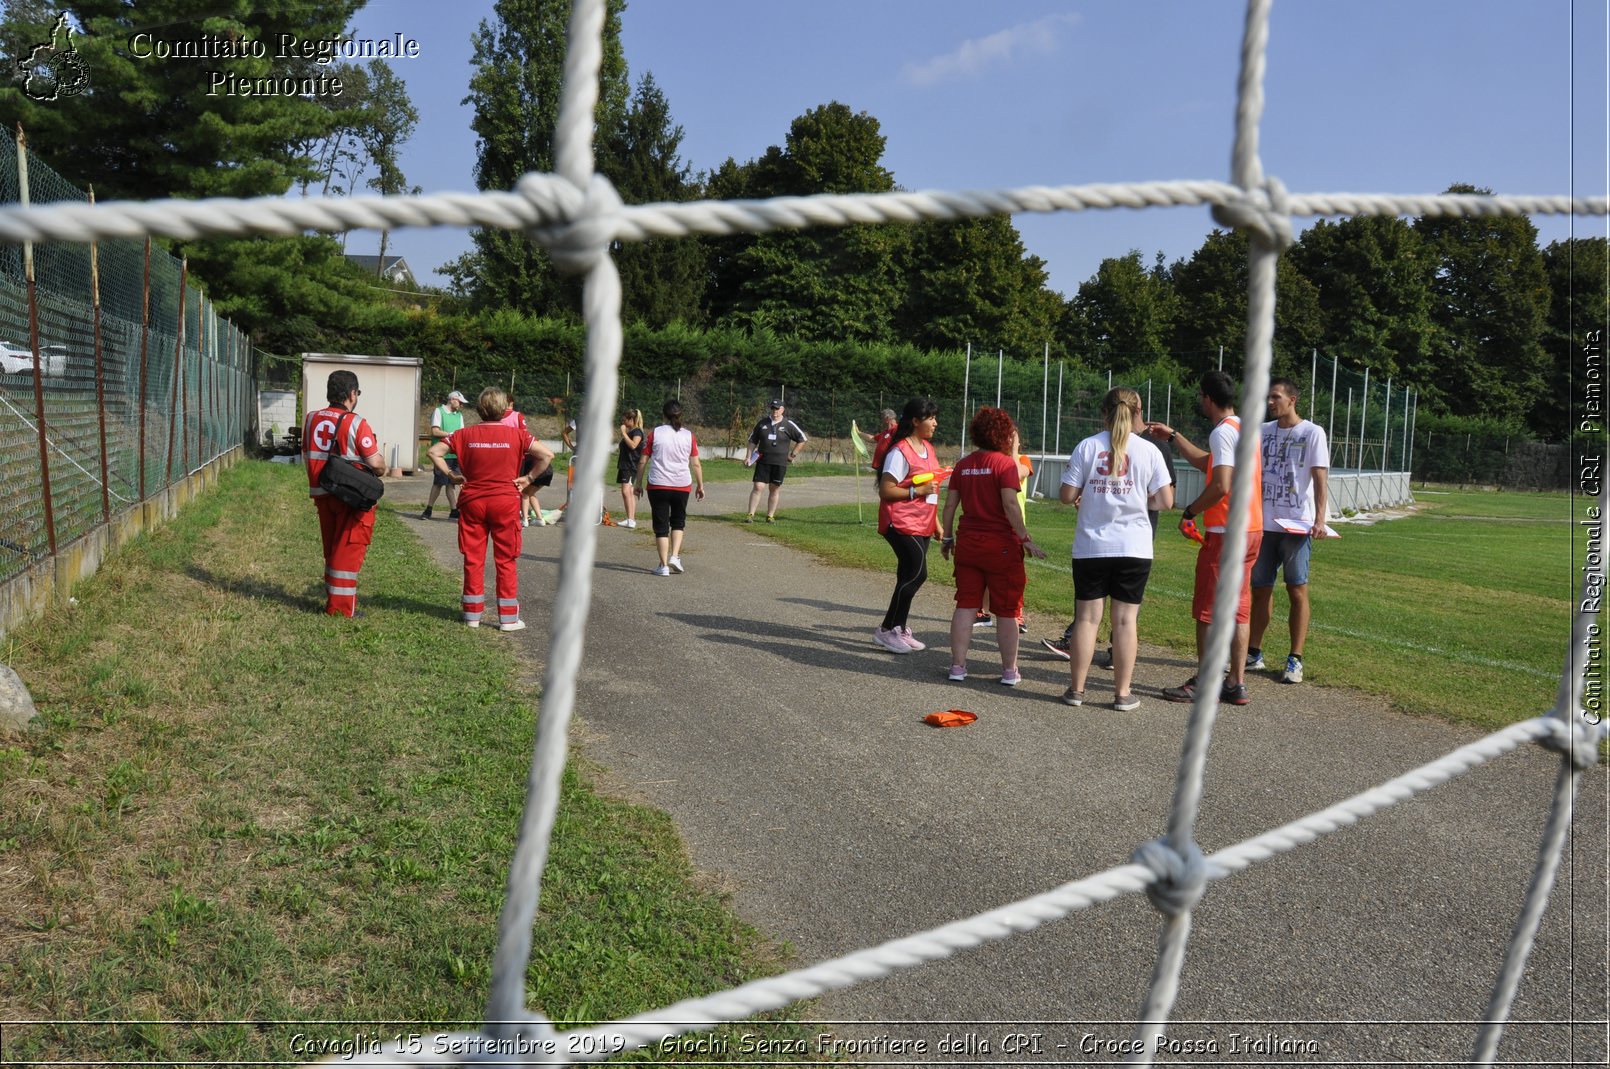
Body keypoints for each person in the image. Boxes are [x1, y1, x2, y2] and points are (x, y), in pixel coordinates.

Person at [1146, 370, 1263, 706]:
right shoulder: (1243, 429)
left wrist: (1190, 511)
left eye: (1200, 396)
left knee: (1208, 612)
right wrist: (1173, 437)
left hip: (1226, 532)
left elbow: (1220, 485)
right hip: (1251, 529)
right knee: (1239, 610)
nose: (1200, 401)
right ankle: (1235, 683)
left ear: (1208, 399)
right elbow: (1208, 464)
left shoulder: (1222, 433)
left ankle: (1205, 681)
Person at [1058, 388, 1174, 710]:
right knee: (1125, 622)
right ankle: (1122, 694)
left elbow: (1067, 495)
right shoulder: (1149, 450)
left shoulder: (1088, 446)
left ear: (1103, 413)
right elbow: (1165, 501)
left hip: (1092, 547)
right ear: (1138, 411)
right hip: (1134, 547)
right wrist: (1139, 500)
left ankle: (1077, 691)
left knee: (1086, 620)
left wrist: (1089, 495)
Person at [429, 387, 553, 632]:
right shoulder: (518, 435)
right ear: (505, 408)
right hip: (505, 502)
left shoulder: (463, 434)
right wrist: (528, 478)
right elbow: (547, 455)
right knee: (506, 559)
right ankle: (508, 619)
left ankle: (472, 615)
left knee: (473, 559)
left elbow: (434, 452)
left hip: (473, 501)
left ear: (479, 409)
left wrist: (451, 474)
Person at [939, 407, 1046, 686]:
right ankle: (1009, 671)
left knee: (965, 606)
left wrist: (947, 537)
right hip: (1001, 546)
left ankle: (957, 667)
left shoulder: (963, 464)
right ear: (1003, 435)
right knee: (1007, 611)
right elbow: (1011, 504)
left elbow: (950, 504)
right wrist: (1025, 538)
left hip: (968, 544)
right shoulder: (1005, 465)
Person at [1248, 376, 1331, 684]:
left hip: (1296, 525)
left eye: (1276, 397)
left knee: (1296, 589)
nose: (1270, 403)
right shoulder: (1261, 432)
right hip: (1263, 524)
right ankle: (1254, 653)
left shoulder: (1312, 432)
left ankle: (1295, 658)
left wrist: (1318, 520)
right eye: (1268, 398)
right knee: (1260, 590)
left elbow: (1320, 478)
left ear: (1292, 400)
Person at [304, 369, 387, 618]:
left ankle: (332, 595)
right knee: (348, 549)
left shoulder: (310, 419)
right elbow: (377, 465)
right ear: (352, 394)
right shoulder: (356, 423)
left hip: (322, 491)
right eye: (357, 393)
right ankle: (340, 609)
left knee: (331, 547)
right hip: (349, 497)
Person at [872, 397, 945, 654]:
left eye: (936, 417)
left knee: (907, 575)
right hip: (900, 521)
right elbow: (886, 490)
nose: (935, 423)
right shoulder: (899, 451)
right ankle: (889, 629)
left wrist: (935, 521)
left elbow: (932, 487)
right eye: (931, 418)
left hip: (922, 522)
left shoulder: (928, 448)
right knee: (918, 573)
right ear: (915, 421)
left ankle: (894, 630)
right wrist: (916, 491)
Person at [639, 400, 705, 575]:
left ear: (664, 415)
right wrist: (700, 485)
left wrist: (637, 483)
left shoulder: (656, 433)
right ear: (680, 414)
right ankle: (675, 556)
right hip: (682, 484)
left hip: (658, 484)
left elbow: (643, 460)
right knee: (678, 522)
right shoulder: (689, 435)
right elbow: (696, 464)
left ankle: (663, 566)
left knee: (661, 525)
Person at [746, 399, 807, 523]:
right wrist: (748, 457)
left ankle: (770, 516)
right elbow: (752, 440)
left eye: (777, 408)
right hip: (763, 461)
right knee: (758, 486)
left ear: (782, 410)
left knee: (774, 488)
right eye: (773, 408)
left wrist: (793, 455)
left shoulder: (788, 424)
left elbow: (802, 439)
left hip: (779, 463)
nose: (775, 411)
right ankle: (750, 515)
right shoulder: (762, 423)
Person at [421, 390, 467, 520]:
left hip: (454, 455)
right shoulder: (439, 411)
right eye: (460, 402)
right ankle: (428, 509)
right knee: (438, 483)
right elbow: (435, 431)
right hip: (441, 455)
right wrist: (451, 434)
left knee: (452, 483)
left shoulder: (459, 415)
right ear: (452, 399)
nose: (461, 405)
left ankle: (454, 510)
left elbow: (462, 434)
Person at [617, 408, 645, 529]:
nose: (623, 423)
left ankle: (631, 519)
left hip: (630, 465)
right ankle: (631, 518)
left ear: (631, 420)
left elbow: (634, 445)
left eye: (625, 420)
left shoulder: (637, 432)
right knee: (629, 491)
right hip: (625, 464)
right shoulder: (631, 431)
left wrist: (623, 434)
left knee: (625, 491)